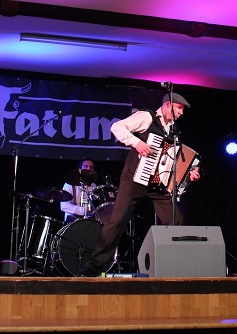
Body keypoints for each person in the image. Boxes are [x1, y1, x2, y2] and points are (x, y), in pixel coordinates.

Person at [77, 92, 201, 276]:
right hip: (135, 179)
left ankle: (171, 266)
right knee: (117, 221)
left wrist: (189, 172)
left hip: (157, 184)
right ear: (167, 105)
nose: (181, 113)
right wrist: (137, 143)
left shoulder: (173, 129)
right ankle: (93, 268)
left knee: (176, 218)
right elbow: (117, 127)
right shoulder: (147, 117)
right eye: (179, 109)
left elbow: (174, 159)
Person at [60, 158, 100, 222]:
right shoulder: (69, 184)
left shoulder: (94, 186)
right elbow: (64, 206)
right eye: (86, 166)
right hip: (72, 221)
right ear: (80, 169)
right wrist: (83, 210)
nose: (88, 169)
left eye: (91, 167)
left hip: (90, 221)